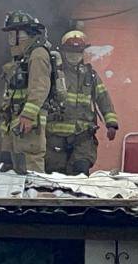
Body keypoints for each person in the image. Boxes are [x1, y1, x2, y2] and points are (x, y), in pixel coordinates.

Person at [46, 30, 119, 175]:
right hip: (56, 138)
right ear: (64, 52)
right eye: (71, 51)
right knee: (56, 177)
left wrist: (111, 124)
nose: (74, 55)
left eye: (78, 52)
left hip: (83, 137)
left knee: (81, 172)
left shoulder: (90, 75)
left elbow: (103, 98)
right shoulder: (54, 74)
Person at [0, 10, 52, 174]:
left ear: (22, 35)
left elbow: (40, 86)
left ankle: (35, 198)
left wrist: (28, 115)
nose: (10, 41)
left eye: (12, 35)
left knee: (31, 166)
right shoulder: (22, 58)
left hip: (29, 123)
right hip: (16, 121)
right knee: (14, 169)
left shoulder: (37, 54)